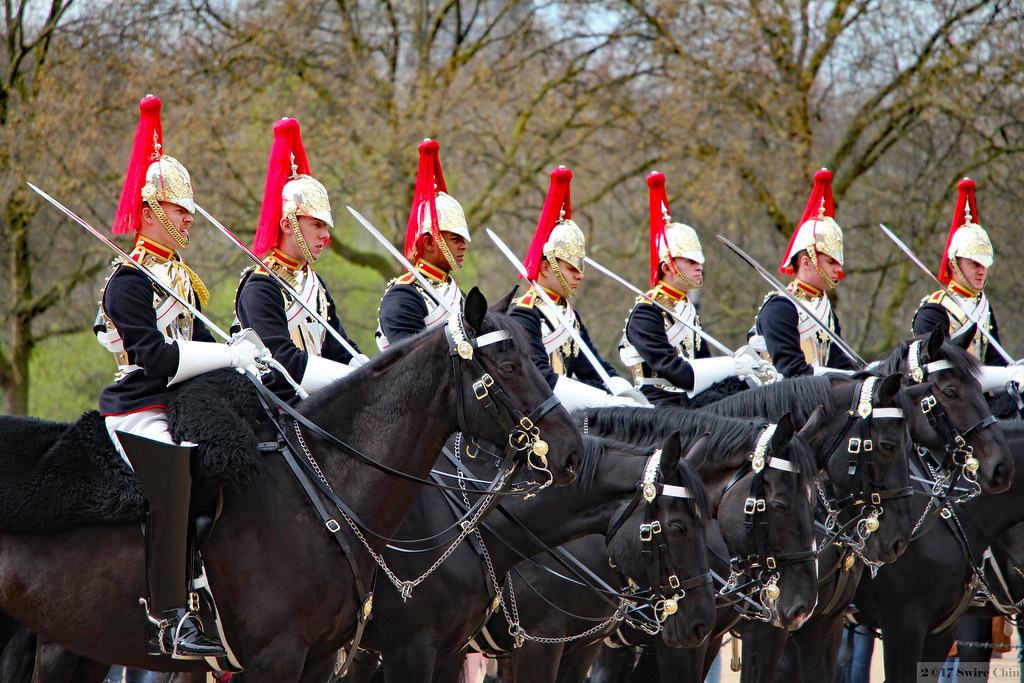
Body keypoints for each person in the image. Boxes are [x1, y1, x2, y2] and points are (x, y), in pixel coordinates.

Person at [94, 96, 262, 658]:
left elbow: (196, 349)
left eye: (189, 209)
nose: (190, 217)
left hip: (182, 404)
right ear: (151, 209)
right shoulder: (128, 282)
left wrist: (243, 358)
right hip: (138, 406)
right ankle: (171, 614)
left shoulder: (183, 280)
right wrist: (228, 356)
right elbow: (159, 359)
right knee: (173, 480)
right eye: (180, 208)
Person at [234, 118, 366, 399]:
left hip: (318, 400)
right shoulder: (260, 286)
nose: (325, 236)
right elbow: (282, 362)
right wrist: (355, 381)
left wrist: (372, 369)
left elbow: (337, 346)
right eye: (316, 225)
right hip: (278, 407)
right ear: (286, 225)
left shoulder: (314, 282)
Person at [619, 171, 766, 406]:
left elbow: (703, 361)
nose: (699, 268)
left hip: (691, 400)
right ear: (667, 267)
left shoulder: (685, 307)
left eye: (699, 262)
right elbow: (675, 372)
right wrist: (731, 365)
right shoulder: (647, 313)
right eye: (691, 262)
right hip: (660, 403)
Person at [509, 166, 647, 412]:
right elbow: (540, 379)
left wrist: (627, 395)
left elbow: (594, 368)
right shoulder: (523, 314)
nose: (580, 275)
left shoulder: (568, 315)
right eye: (572, 268)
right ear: (545, 267)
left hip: (566, 413)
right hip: (536, 418)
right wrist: (608, 403)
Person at [752, 168, 857, 378]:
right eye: (831, 261)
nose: (839, 269)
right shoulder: (781, 308)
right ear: (806, 262)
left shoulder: (825, 308)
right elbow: (792, 372)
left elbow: (840, 364)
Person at [375, 138, 469, 349]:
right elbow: (414, 368)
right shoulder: (404, 296)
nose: (464, 246)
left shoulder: (459, 296)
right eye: (455, 239)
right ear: (428, 242)